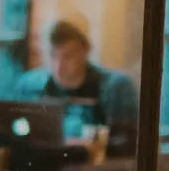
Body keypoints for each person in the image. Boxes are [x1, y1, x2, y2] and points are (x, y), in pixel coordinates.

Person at [15, 18, 140, 153]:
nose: (58, 66)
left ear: (86, 51)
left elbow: (127, 143)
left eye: (68, 56)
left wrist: (87, 146)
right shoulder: (28, 86)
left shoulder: (115, 87)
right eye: (52, 55)